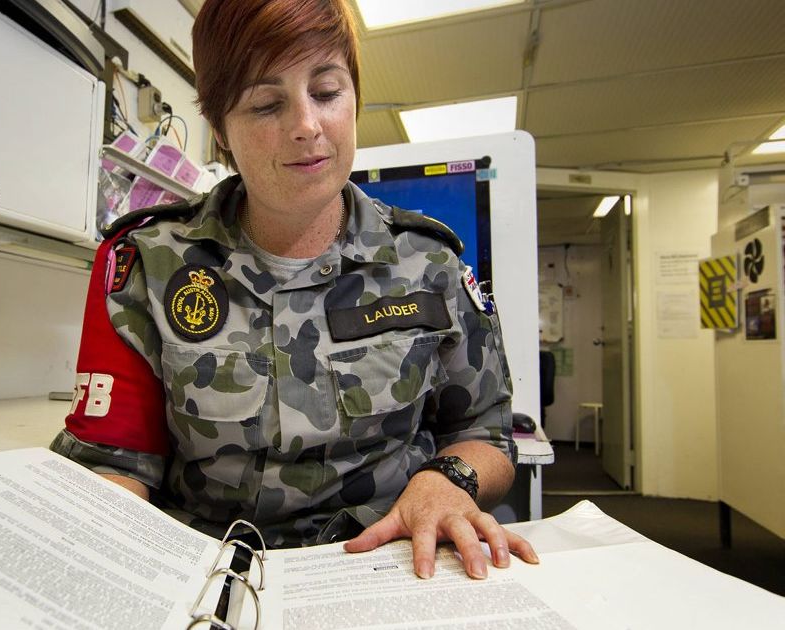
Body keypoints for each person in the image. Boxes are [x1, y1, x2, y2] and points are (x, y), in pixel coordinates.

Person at [51, 0, 538, 581]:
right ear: (220, 132)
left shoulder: (429, 263)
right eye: (266, 103)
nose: (307, 125)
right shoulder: (147, 264)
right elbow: (114, 463)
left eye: (328, 93)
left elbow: (485, 431)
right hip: (207, 579)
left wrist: (445, 482)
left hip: (385, 567)